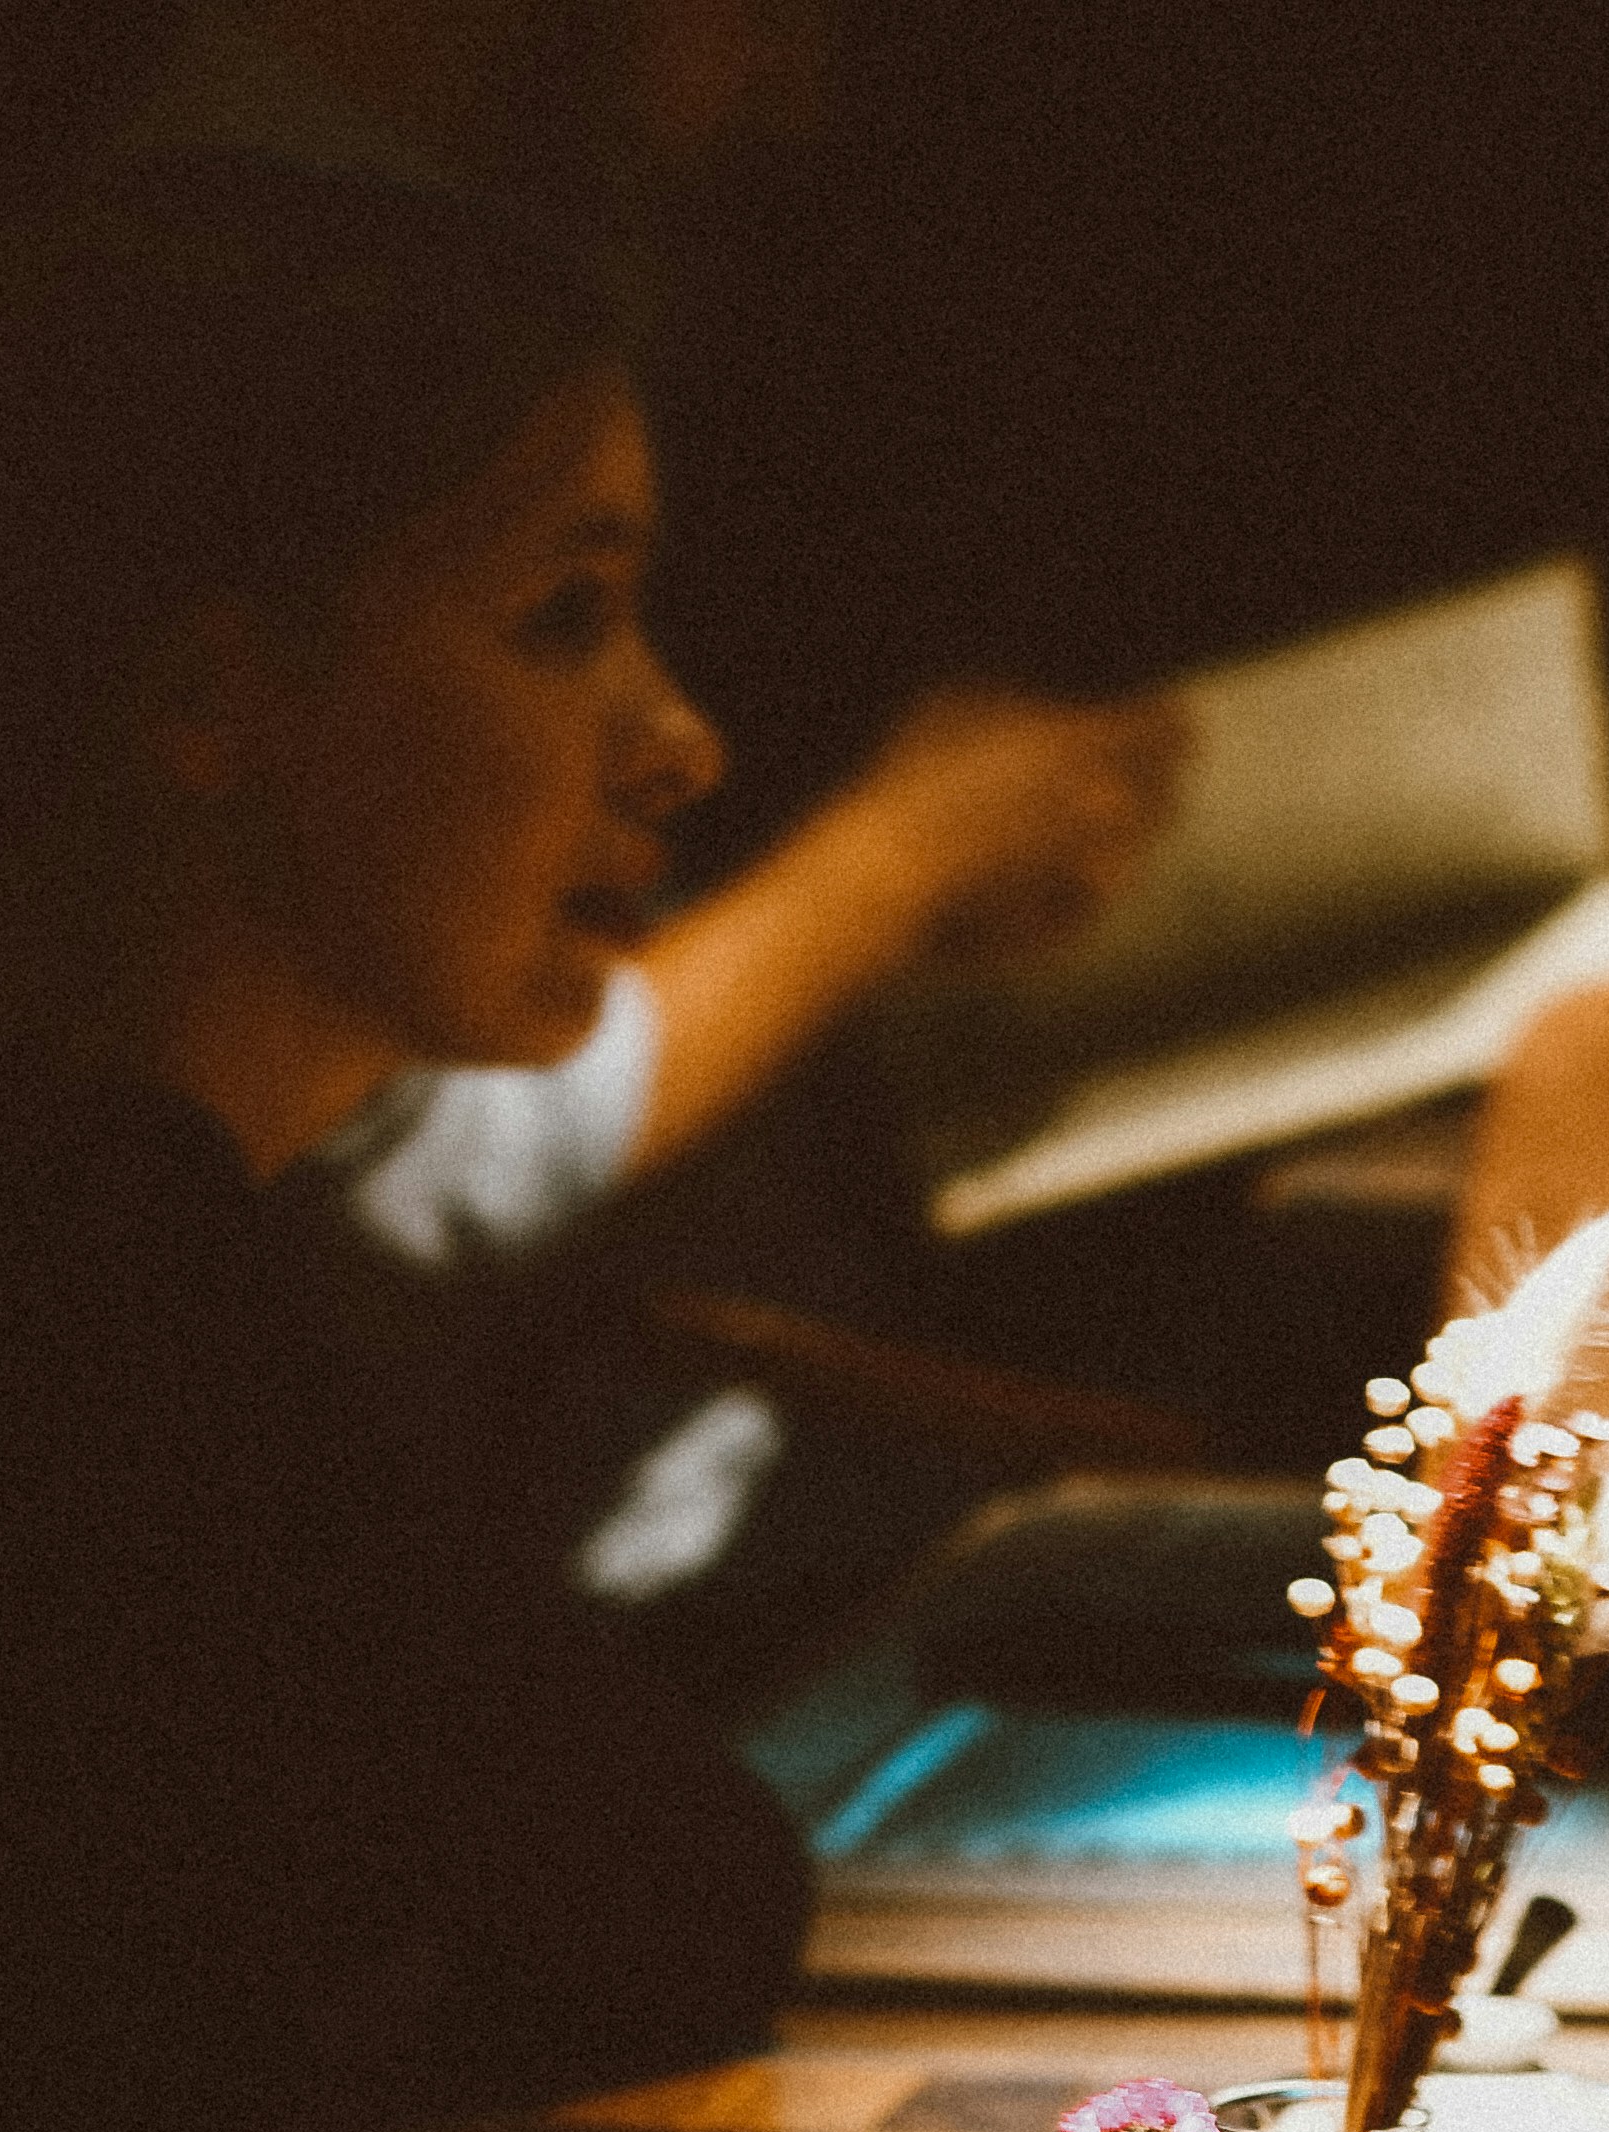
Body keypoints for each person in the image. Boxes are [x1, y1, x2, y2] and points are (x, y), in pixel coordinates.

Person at [0, 160, 818, 2132]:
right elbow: (665, 1904)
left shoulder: (67, 1225)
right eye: (564, 621)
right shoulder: (48, 1302)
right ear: (216, 695)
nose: (675, 741)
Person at [106, 9, 1183, 1280]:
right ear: (211, 699)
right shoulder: (235, 279)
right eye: (566, 619)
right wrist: (898, 859)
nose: (792, 89)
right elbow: (439, 1167)